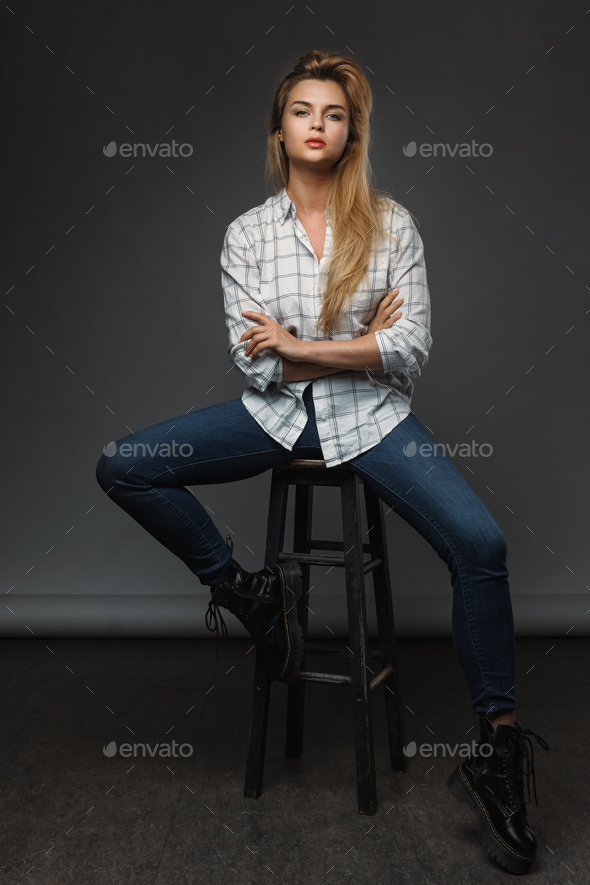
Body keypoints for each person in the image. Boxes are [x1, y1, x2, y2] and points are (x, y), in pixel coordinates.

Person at [95, 49, 549, 875]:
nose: (318, 125)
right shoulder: (245, 235)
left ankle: (497, 755)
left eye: (334, 114)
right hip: (273, 421)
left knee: (481, 548)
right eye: (303, 111)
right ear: (280, 130)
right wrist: (351, 345)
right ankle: (255, 597)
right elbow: (259, 367)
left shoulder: (392, 224)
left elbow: (407, 351)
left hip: (374, 422)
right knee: (125, 465)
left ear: (351, 132)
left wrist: (306, 344)